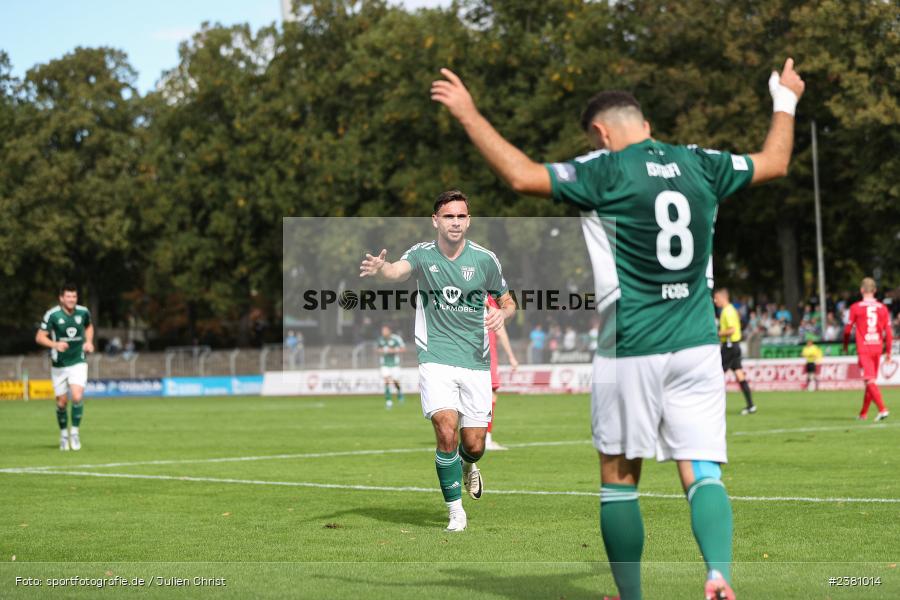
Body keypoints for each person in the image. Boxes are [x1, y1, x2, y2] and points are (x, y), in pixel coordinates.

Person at [432, 57, 804, 600]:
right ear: (645, 123)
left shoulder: (604, 170)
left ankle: (631, 595)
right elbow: (775, 161)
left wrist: (468, 113)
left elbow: (521, 176)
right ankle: (717, 574)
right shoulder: (702, 162)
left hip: (629, 343)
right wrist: (785, 98)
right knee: (702, 469)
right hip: (697, 343)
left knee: (619, 477)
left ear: (601, 133)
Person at [359, 190, 515, 532]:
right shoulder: (421, 254)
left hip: (475, 361)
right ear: (435, 221)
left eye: (461, 216)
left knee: (474, 445)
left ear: (468, 221)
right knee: (446, 430)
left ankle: (468, 465)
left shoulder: (485, 260)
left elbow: (508, 301)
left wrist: (502, 314)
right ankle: (455, 512)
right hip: (435, 358)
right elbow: (397, 271)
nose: (455, 222)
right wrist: (382, 268)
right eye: (448, 216)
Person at [35, 283, 95, 451]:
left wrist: (89, 342)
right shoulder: (52, 315)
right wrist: (55, 345)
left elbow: (89, 326)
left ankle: (74, 433)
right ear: (61, 298)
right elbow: (39, 337)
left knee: (77, 396)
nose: (71, 299)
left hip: (78, 361)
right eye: (68, 296)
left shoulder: (83, 312)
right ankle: (63, 435)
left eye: (74, 296)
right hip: (59, 364)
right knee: (61, 403)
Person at [843, 277, 891, 421]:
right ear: (875, 290)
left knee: (869, 380)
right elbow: (888, 332)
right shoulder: (883, 308)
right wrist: (888, 351)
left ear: (861, 290)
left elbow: (847, 329)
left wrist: (845, 345)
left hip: (864, 348)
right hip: (877, 347)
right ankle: (863, 414)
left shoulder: (855, 307)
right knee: (870, 382)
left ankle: (882, 409)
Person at [485, 294, 519, 451]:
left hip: (473, 353)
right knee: (490, 396)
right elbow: (500, 330)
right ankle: (486, 439)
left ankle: (473, 438)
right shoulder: (489, 299)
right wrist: (511, 357)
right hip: (486, 354)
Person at [714, 288, 756, 415]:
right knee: (739, 374)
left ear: (723, 297)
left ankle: (714, 407)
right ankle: (751, 406)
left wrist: (717, 333)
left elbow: (731, 330)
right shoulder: (731, 310)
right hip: (735, 346)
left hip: (729, 346)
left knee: (715, 374)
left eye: (716, 298)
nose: (715, 301)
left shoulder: (727, 311)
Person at [377, 324, 406, 408]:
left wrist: (393, 350)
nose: (383, 332)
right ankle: (388, 401)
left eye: (385, 330)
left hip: (394, 364)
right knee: (386, 381)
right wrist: (382, 350)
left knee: (395, 381)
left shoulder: (396, 339)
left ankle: (400, 394)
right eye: (382, 331)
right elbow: (377, 349)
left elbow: (403, 349)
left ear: (389, 331)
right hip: (384, 364)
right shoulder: (380, 339)